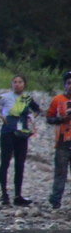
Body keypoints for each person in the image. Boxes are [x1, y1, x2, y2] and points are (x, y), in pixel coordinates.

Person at [0, 74, 41, 206]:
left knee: (20, 164)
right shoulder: (5, 97)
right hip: (8, 132)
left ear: (24, 85)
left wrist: (31, 118)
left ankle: (18, 195)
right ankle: (4, 194)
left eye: (20, 82)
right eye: (15, 82)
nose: (17, 84)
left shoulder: (27, 98)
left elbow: (38, 110)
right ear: (12, 84)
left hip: (22, 133)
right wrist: (0, 116)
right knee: (5, 162)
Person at [46, 70, 71, 208]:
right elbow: (49, 118)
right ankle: (55, 200)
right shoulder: (57, 100)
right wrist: (60, 119)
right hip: (62, 141)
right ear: (65, 85)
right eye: (69, 83)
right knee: (60, 173)